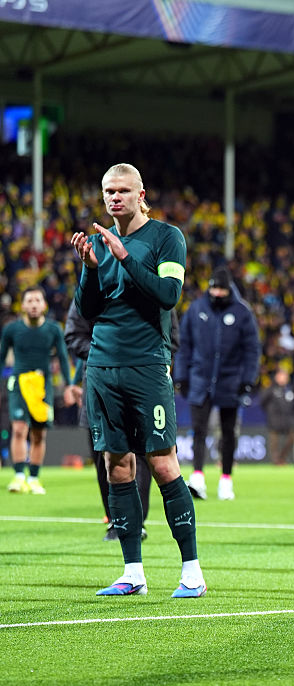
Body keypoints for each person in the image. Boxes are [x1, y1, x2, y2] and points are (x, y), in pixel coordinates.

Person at [70, 162, 205, 598]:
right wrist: (91, 267)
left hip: (148, 365)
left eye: (123, 191)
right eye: (109, 190)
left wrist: (124, 255)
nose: (115, 198)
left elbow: (168, 296)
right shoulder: (96, 243)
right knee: (117, 466)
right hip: (102, 367)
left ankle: (192, 573)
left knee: (164, 465)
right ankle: (133, 572)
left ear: (141, 194)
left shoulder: (168, 238)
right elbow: (88, 310)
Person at [64, 301, 179, 539]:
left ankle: (137, 521)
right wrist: (106, 352)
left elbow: (172, 336)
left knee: (144, 454)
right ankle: (115, 520)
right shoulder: (93, 285)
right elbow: (74, 335)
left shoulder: (153, 286)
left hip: (144, 383)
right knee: (103, 455)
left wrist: (145, 356)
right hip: (100, 382)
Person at [174, 265, 260, 501]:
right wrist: (181, 375)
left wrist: (247, 380)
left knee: (229, 433)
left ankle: (226, 480)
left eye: (222, 289)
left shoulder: (242, 312)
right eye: (215, 288)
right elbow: (184, 345)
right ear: (209, 287)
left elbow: (252, 350)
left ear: (229, 288)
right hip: (200, 379)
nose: (218, 293)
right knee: (198, 431)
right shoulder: (196, 309)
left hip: (230, 381)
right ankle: (198, 477)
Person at [2, 287, 71, 495]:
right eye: (29, 301)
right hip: (19, 383)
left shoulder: (54, 329)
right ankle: (18, 477)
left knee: (39, 433)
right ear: (22, 305)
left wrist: (68, 385)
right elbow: (1, 355)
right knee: (19, 429)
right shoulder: (11, 330)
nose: (33, 304)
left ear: (44, 305)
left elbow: (62, 357)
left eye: (37, 300)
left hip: (42, 385)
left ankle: (33, 478)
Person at [260, 366, 294, 466]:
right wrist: (270, 411)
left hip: (287, 420)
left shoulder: (290, 389)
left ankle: (282, 458)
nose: (283, 378)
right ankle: (276, 460)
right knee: (274, 443)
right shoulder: (271, 388)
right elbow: (262, 401)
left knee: (291, 438)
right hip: (274, 420)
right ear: (276, 377)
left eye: (285, 376)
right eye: (281, 376)